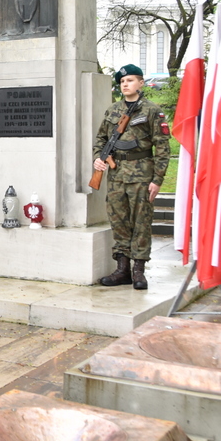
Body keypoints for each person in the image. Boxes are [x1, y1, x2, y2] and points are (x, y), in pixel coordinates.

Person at [92, 65, 171, 290]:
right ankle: (122, 269)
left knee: (141, 222)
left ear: (141, 83)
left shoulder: (152, 110)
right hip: (116, 175)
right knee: (119, 222)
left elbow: (163, 147)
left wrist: (157, 179)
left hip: (142, 175)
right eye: (122, 81)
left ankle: (139, 270)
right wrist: (98, 158)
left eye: (130, 80)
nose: (125, 84)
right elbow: (101, 139)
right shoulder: (112, 111)